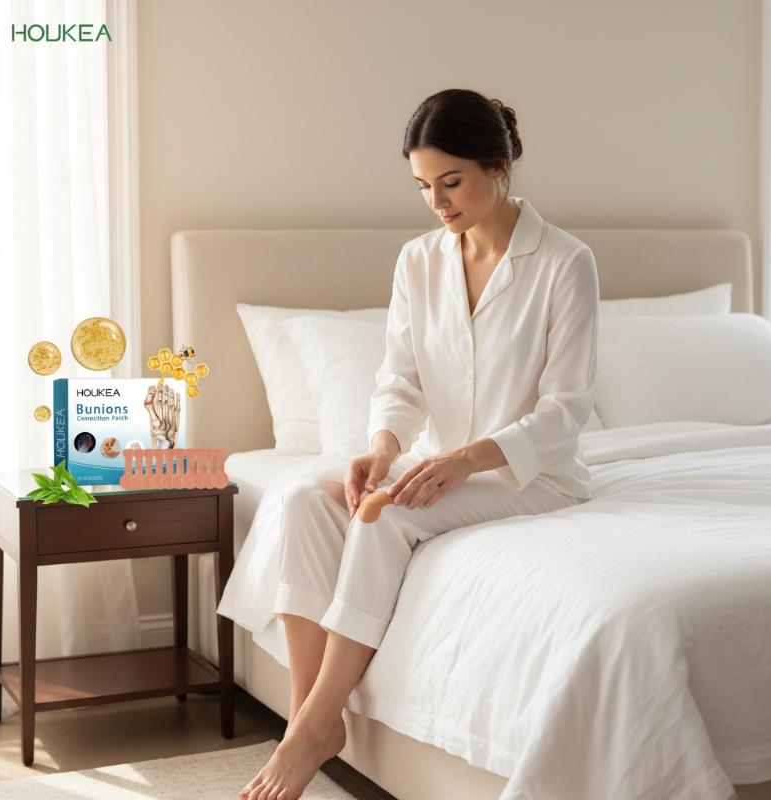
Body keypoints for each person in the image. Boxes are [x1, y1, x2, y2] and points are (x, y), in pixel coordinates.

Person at [234, 88, 599, 800]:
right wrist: (382, 447)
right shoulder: (419, 261)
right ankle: (312, 718)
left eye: (451, 181)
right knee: (304, 498)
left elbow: (567, 409)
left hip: (528, 475)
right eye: (423, 186)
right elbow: (399, 378)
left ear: (498, 166)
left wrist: (465, 459)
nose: (437, 202)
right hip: (433, 459)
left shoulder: (565, 261)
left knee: (383, 514)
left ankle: (311, 729)